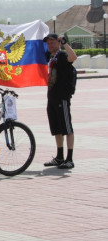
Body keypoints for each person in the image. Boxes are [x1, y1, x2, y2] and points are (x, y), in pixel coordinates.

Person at [43, 33, 77, 169]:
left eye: (52, 42)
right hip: (51, 96)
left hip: (62, 97)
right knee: (56, 128)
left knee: (66, 128)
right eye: (48, 43)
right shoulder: (50, 57)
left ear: (58, 43)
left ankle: (69, 159)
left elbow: (73, 57)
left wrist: (65, 43)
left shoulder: (62, 56)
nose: (50, 45)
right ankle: (59, 157)